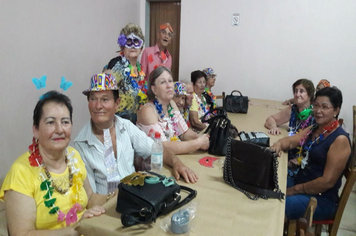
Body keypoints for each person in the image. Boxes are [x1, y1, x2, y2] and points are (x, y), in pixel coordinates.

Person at [0, 91, 106, 235]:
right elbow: (22, 234)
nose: (59, 129)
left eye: (65, 122)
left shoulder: (73, 156)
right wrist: (73, 230)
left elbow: (91, 198)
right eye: (50, 122)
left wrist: (116, 195)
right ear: (36, 130)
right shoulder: (20, 172)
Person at [74, 73, 198, 195]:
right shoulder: (80, 145)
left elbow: (156, 149)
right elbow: (90, 199)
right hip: (107, 209)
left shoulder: (125, 126)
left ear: (117, 103)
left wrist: (177, 163)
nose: (98, 106)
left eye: (105, 99)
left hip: (136, 198)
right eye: (93, 99)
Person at [270, 87, 351, 221]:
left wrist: (294, 190)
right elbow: (291, 142)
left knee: (276, 205)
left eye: (325, 107)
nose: (318, 111)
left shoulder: (339, 140)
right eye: (316, 105)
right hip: (301, 183)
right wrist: (278, 145)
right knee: (267, 184)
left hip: (320, 198)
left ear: (336, 110)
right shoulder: (315, 128)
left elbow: (327, 182)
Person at [136, 66, 209, 155]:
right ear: (154, 89)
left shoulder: (171, 104)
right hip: (155, 164)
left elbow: (184, 133)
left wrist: (202, 138)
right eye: (163, 82)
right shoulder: (147, 111)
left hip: (174, 158)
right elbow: (163, 147)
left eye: (170, 81)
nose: (169, 86)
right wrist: (197, 143)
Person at [106, 23, 147, 124]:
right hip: (117, 123)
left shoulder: (139, 69)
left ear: (141, 48)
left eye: (136, 42)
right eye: (129, 42)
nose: (133, 46)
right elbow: (105, 95)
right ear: (122, 46)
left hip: (135, 124)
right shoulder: (116, 65)